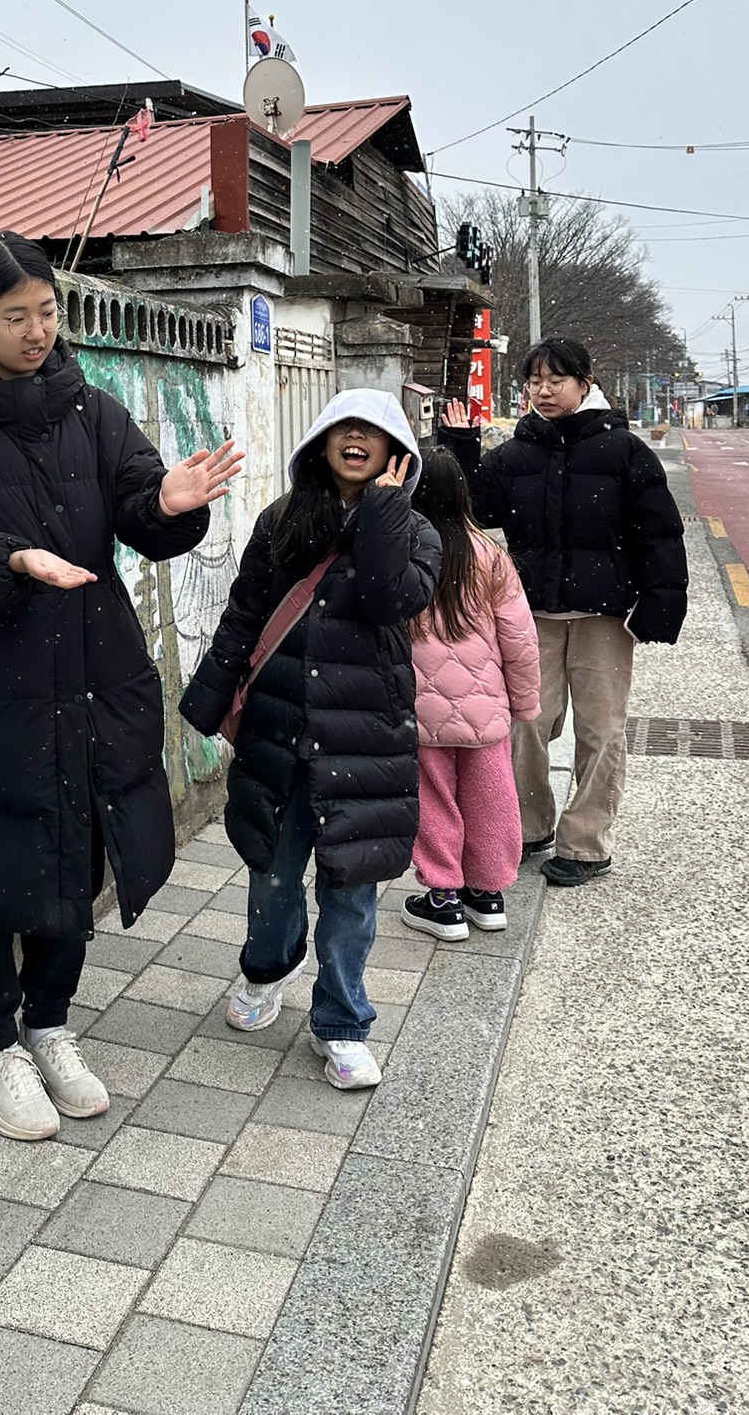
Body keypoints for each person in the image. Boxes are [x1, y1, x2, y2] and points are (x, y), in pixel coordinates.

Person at [0, 233, 241, 1139]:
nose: (38, 330)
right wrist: (9, 559)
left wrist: (168, 506)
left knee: (77, 849)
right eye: (16, 317)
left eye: (48, 311)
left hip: (95, 667)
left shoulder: (93, 410)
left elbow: (140, 505)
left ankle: (48, 1025)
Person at [180, 391, 440, 1090]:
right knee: (270, 872)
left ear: (396, 452)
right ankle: (267, 969)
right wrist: (212, 697)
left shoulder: (417, 532)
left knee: (351, 892)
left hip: (364, 743)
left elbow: (389, 600)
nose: (355, 438)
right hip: (281, 731)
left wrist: (381, 513)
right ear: (321, 442)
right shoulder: (283, 520)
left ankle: (342, 1023)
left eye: (372, 431)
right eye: (343, 428)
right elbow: (245, 613)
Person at [438, 336, 687, 888]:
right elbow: (474, 507)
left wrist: (661, 602)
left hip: (605, 618)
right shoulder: (518, 452)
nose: (544, 391)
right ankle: (529, 825)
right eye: (534, 382)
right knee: (526, 722)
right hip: (533, 615)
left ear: (585, 383)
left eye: (556, 380)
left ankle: (586, 844)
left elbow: (660, 532)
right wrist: (460, 447)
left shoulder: (624, 451)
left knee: (601, 730)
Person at [400, 447, 541, 942]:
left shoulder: (404, 548)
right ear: (463, 495)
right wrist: (525, 702)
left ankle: (443, 899)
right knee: (491, 794)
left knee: (432, 797)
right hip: (485, 708)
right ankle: (488, 893)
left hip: (421, 706)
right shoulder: (490, 555)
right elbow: (520, 637)